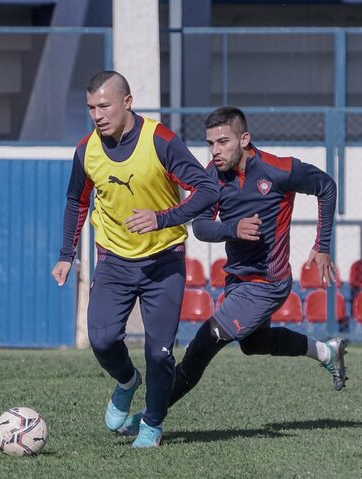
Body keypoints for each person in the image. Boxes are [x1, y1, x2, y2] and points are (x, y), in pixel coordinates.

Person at [119, 106, 348, 436]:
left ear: (244, 139)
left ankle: (150, 417)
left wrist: (322, 245)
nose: (215, 151)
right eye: (210, 143)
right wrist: (233, 228)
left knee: (203, 344)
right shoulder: (212, 175)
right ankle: (327, 351)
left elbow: (326, 186)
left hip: (268, 282)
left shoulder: (278, 169)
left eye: (223, 142)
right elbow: (199, 226)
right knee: (253, 343)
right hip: (238, 279)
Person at [50, 71, 220, 448]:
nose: (97, 114)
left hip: (164, 261)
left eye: (104, 105)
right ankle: (127, 381)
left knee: (159, 353)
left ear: (127, 101)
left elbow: (207, 189)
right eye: (91, 107)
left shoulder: (159, 140)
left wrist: (163, 218)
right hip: (113, 261)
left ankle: (152, 424)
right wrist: (66, 254)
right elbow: (76, 202)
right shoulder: (85, 150)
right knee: (102, 339)